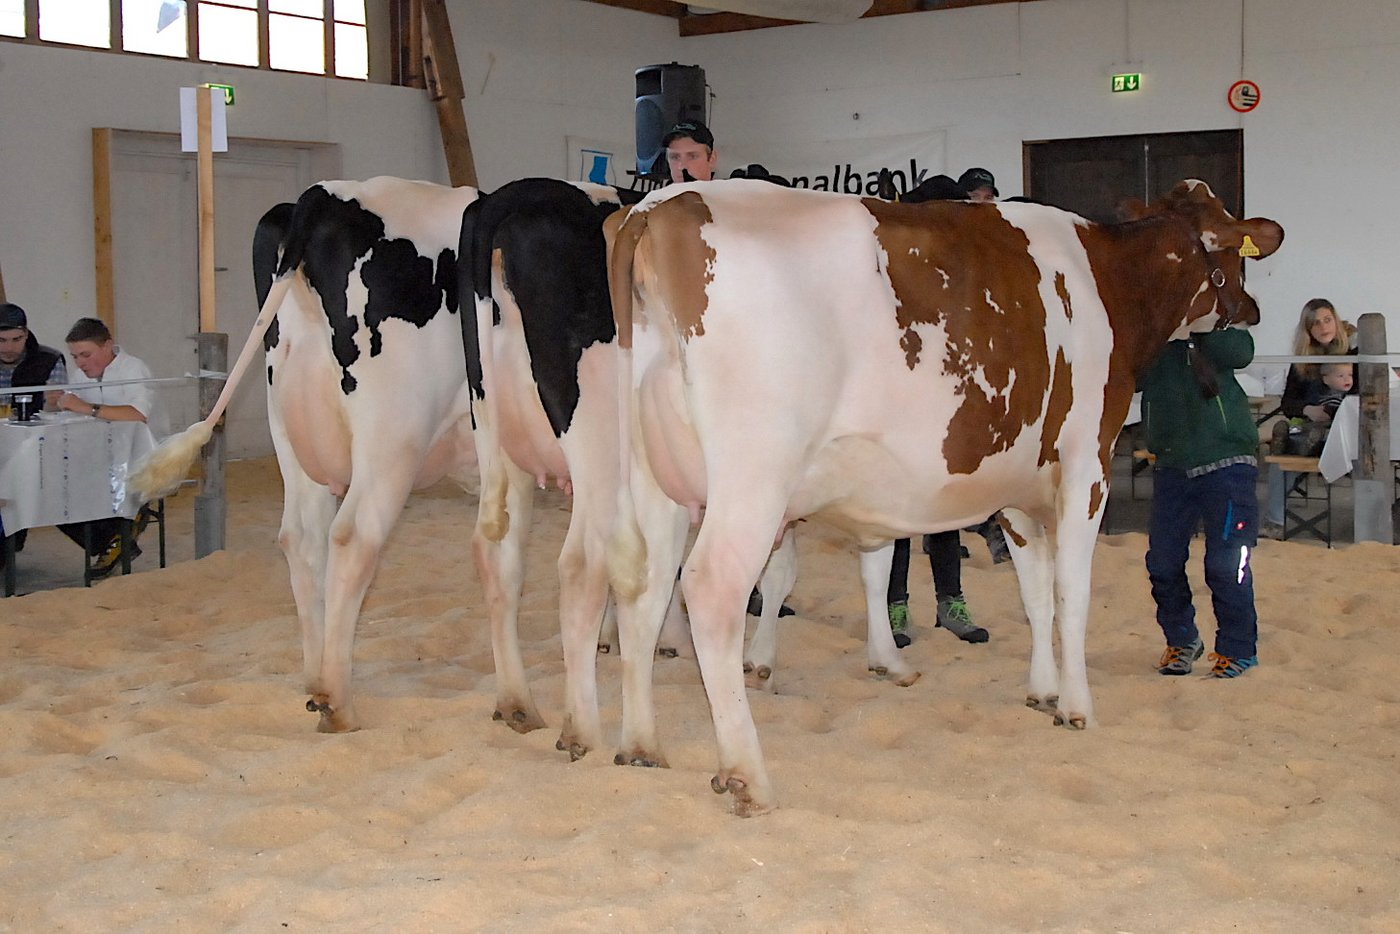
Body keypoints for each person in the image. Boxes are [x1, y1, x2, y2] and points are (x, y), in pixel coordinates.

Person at [1140, 329, 1260, 679]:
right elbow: (1130, 372)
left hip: (1228, 460)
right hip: (1171, 465)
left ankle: (1238, 649)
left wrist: (1199, 325)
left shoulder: (1214, 323)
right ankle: (1182, 639)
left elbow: (1241, 351)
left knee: (1227, 564)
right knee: (1162, 562)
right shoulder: (1154, 332)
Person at [51, 317, 163, 576]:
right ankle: (114, 540)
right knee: (54, 488)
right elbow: (73, 410)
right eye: (75, 356)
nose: (80, 363)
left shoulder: (133, 369)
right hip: (98, 455)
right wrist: (56, 402)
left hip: (141, 455)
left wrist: (86, 407)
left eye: (86, 354)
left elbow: (138, 414)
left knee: (83, 485)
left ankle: (118, 534)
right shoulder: (80, 375)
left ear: (108, 346)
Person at [1261, 298, 1356, 536]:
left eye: (1327, 320)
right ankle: (1275, 522)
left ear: (1336, 321)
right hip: (1311, 428)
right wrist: (1308, 410)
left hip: (1347, 433)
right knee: (1280, 459)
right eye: (1315, 323)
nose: (1323, 327)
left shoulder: (1354, 354)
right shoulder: (1302, 362)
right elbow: (1288, 403)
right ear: (1307, 330)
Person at [0, 302, 68, 555]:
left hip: (35, 452)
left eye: (16, 339)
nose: (9, 347)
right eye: (2, 340)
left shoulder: (49, 360)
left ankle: (108, 538)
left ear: (27, 334)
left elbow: (58, 413)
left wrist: (54, 405)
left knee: (59, 489)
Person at [1272, 360, 1353, 457]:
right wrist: (1308, 409)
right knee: (1314, 435)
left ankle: (1293, 445)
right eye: (1340, 376)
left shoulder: (1347, 397)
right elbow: (1288, 403)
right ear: (1326, 380)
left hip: (1330, 429)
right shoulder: (1324, 395)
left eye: (1350, 375)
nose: (1347, 379)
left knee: (1314, 436)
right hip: (1319, 425)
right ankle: (1287, 442)